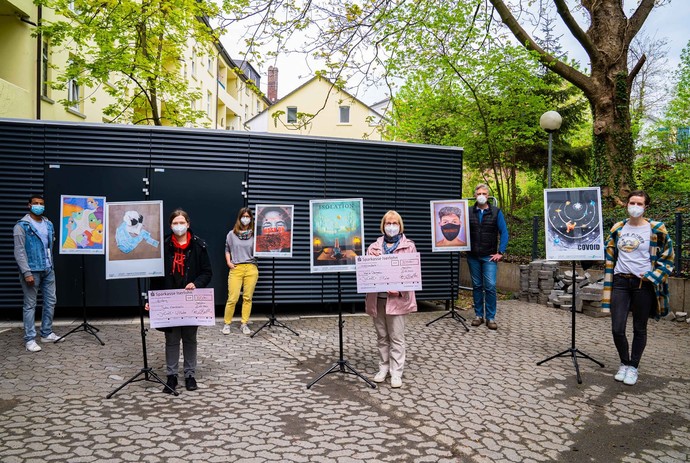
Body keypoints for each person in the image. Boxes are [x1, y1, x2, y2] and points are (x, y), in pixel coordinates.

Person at [602, 190, 674, 386]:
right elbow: (607, 252)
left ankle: (633, 366)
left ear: (645, 207)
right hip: (620, 282)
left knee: (639, 328)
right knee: (617, 328)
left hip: (643, 284)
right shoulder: (618, 228)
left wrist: (653, 276)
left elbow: (668, 257)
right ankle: (624, 363)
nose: (635, 206)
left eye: (639, 203)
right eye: (632, 202)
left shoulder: (656, 229)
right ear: (626, 204)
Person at [148, 209, 212, 393]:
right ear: (170, 225)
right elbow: (155, 276)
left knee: (190, 338)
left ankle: (190, 375)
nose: (178, 226)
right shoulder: (164, 246)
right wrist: (152, 298)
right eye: (175, 223)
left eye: (181, 222)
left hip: (190, 301)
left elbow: (207, 272)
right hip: (170, 301)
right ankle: (172, 375)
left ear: (188, 224)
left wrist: (196, 283)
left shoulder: (199, 246)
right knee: (172, 338)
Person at [364, 210, 418, 388]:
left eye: (395, 223)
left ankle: (396, 372)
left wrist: (399, 288)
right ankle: (383, 368)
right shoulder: (373, 247)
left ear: (400, 225)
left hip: (397, 299)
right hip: (377, 297)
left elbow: (411, 274)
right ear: (383, 225)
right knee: (381, 336)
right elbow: (367, 273)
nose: (392, 226)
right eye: (388, 223)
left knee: (396, 336)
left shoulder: (408, 246)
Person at [13, 194, 60, 352]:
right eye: (35, 203)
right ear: (29, 205)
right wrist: (26, 273)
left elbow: (49, 246)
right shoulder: (22, 226)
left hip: (48, 269)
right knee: (30, 305)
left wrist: (50, 265)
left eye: (41, 203)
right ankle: (30, 339)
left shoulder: (48, 224)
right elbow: (19, 252)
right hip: (32, 270)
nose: (38, 206)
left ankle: (46, 333)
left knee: (51, 301)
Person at [467, 184, 509, 330]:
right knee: (477, 286)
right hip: (473, 256)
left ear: (488, 195)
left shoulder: (496, 212)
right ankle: (479, 315)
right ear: (474, 195)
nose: (481, 195)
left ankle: (490, 317)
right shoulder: (468, 212)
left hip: (489, 257)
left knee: (490, 286)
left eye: (484, 193)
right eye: (479, 193)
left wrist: (501, 252)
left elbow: (504, 232)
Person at [222, 207, 259, 335]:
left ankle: (244, 323)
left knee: (247, 298)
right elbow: (227, 248)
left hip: (251, 268)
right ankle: (227, 324)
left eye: (248, 216)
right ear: (239, 218)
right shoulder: (231, 234)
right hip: (236, 268)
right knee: (232, 298)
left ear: (251, 218)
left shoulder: (255, 234)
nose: (245, 219)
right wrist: (228, 262)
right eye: (243, 216)